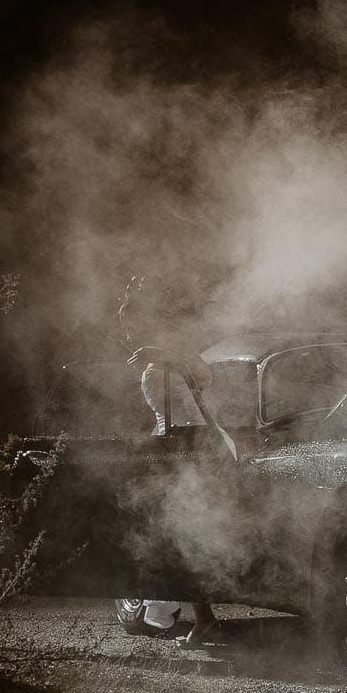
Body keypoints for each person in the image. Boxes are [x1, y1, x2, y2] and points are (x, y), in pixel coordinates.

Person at [117, 276, 220, 650]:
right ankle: (200, 617)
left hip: (192, 443)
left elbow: (204, 378)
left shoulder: (170, 344)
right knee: (173, 531)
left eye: (130, 325)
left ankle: (204, 619)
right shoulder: (151, 351)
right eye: (124, 328)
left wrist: (161, 356)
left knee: (183, 530)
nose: (127, 335)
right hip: (170, 442)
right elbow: (165, 406)